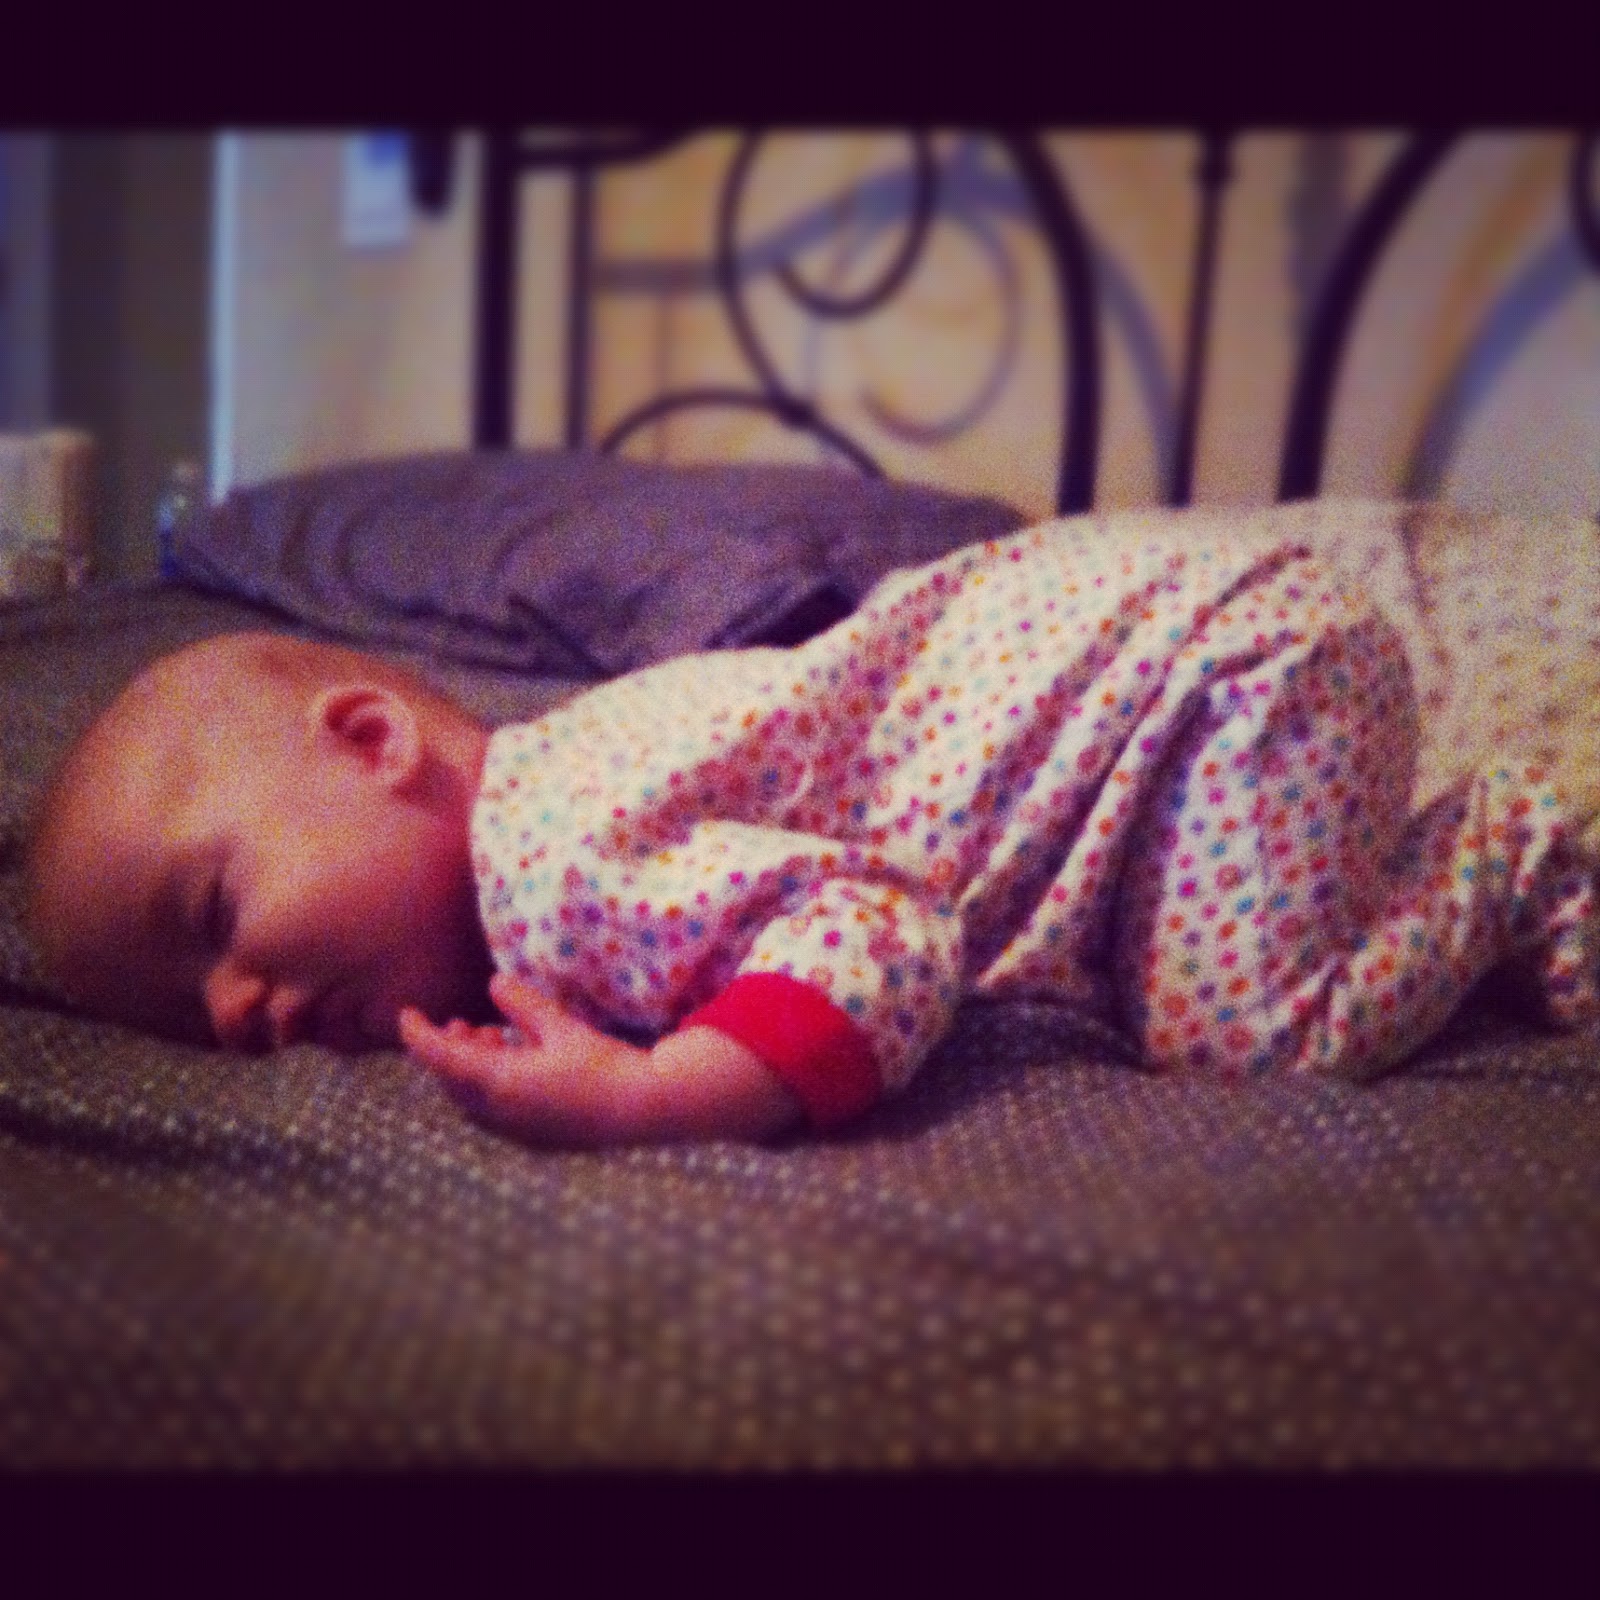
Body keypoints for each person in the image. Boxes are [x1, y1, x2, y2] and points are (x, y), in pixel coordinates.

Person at [24, 520, 1598, 1146]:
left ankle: (1513, 847)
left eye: (214, 916)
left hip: (1237, 678)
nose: (236, 1012)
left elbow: (881, 939)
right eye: (191, 1015)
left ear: (373, 745)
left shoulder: (554, 862)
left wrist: (658, 1093)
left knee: (1242, 1034)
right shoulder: (578, 793)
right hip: (1201, 683)